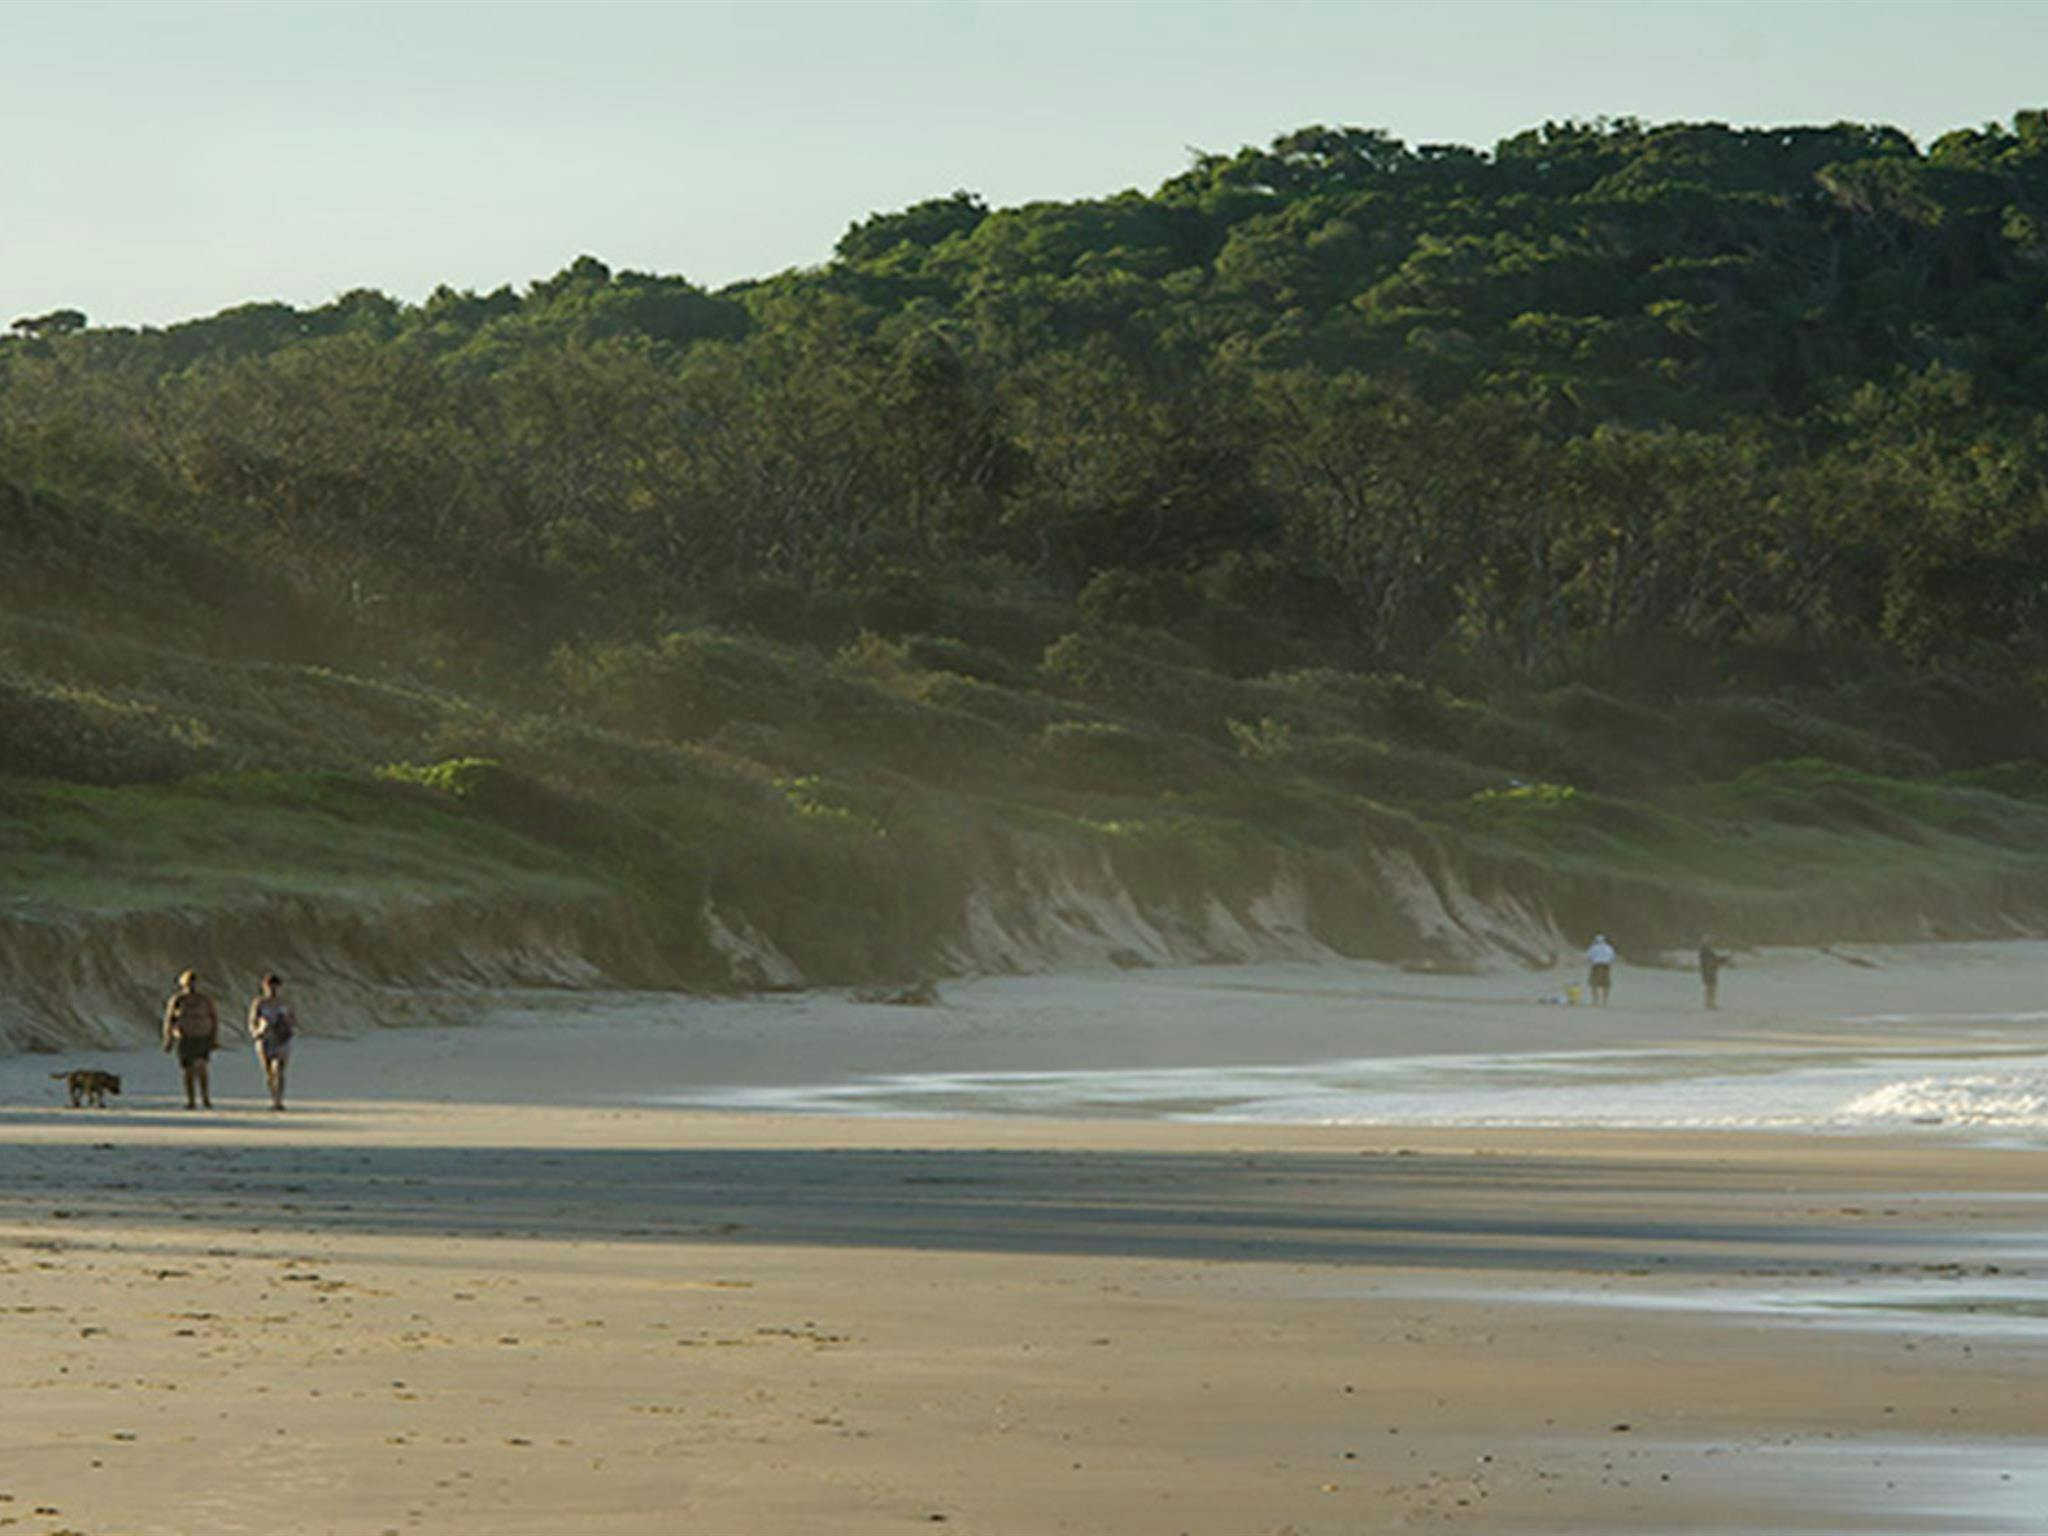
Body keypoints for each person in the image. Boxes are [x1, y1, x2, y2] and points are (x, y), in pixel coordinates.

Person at [162, 969, 225, 1109]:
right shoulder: (177, 1000)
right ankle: (191, 1100)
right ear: (182, 984)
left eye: (193, 982)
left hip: (202, 1036)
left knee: (201, 1067)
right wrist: (168, 1038)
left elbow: (214, 1018)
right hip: (185, 1038)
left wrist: (214, 1038)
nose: (191, 986)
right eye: (188, 983)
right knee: (188, 1070)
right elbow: (169, 1019)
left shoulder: (204, 999)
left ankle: (205, 1098)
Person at [246, 972, 298, 1111]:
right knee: (268, 1071)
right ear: (264, 987)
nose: (272, 989)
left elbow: (294, 1020)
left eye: (275, 987)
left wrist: (287, 1023)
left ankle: (279, 1101)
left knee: (279, 1069)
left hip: (282, 1038)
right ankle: (273, 1096)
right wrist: (257, 1032)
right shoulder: (259, 1002)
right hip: (265, 1038)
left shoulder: (285, 1003)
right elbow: (252, 1021)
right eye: (269, 986)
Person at [1698, 938, 1731, 1011]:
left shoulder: (1707, 951)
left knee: (1711, 987)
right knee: (1711, 987)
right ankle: (1709, 1003)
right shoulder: (1705, 951)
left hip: (1710, 971)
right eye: (1709, 942)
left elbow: (1714, 959)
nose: (1711, 943)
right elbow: (1712, 961)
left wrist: (1724, 959)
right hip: (1708, 971)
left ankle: (1710, 1003)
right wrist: (1722, 961)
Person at [1585, 933, 1617, 1006]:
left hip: (1596, 965)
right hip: (1606, 966)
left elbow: (1589, 957)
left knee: (1594, 983)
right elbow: (1612, 958)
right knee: (1606, 984)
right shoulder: (1609, 948)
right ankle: (1605, 1001)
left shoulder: (1593, 947)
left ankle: (1595, 1001)